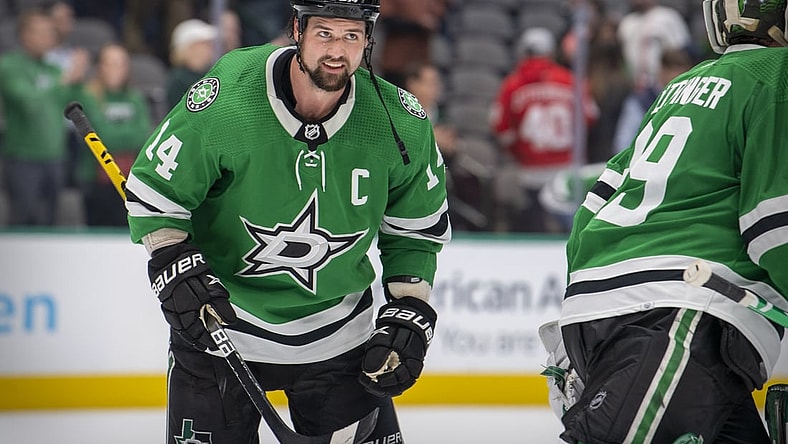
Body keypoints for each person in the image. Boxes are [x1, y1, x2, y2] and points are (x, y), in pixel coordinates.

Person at [125, 0, 451, 441]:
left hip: (340, 339)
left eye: (351, 36)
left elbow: (415, 231)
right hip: (220, 329)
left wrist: (410, 306)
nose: (337, 50)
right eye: (325, 34)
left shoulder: (399, 121)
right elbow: (156, 192)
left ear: (368, 40)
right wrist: (170, 259)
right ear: (297, 29)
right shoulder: (231, 95)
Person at [551, 1, 788, 442]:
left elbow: (596, 202)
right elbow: (773, 226)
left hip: (600, 307)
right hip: (681, 312)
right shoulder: (779, 74)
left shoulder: (683, 83)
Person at [490, 27, 597, 233]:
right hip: (568, 168)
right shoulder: (571, 80)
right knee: (570, 230)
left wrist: (518, 152)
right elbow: (590, 117)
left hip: (531, 171)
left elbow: (500, 128)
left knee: (536, 228)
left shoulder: (512, 84)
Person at [0, 7, 88, 226]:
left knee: (51, 222)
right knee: (23, 220)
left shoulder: (53, 69)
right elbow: (30, 103)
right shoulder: (10, 66)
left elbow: (74, 104)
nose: (49, 37)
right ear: (24, 35)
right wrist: (66, 78)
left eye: (50, 32)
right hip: (23, 158)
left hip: (56, 156)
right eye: (42, 32)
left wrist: (77, 79)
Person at [76, 43, 151, 227]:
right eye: (110, 63)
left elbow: (143, 135)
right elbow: (103, 138)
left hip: (129, 181)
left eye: (120, 64)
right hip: (96, 181)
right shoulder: (89, 96)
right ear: (100, 67)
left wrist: (116, 133)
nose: (115, 69)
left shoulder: (135, 97)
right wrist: (126, 133)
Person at [612, 47, 693, 154]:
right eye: (676, 74)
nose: (681, 81)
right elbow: (623, 144)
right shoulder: (641, 101)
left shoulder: (689, 100)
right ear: (663, 71)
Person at [617, 0, 691, 90]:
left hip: (664, 82)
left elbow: (681, 51)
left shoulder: (669, 17)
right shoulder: (627, 22)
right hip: (634, 83)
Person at [164, 18, 217, 109]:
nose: (210, 47)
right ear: (189, 48)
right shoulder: (178, 80)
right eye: (204, 44)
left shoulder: (210, 73)